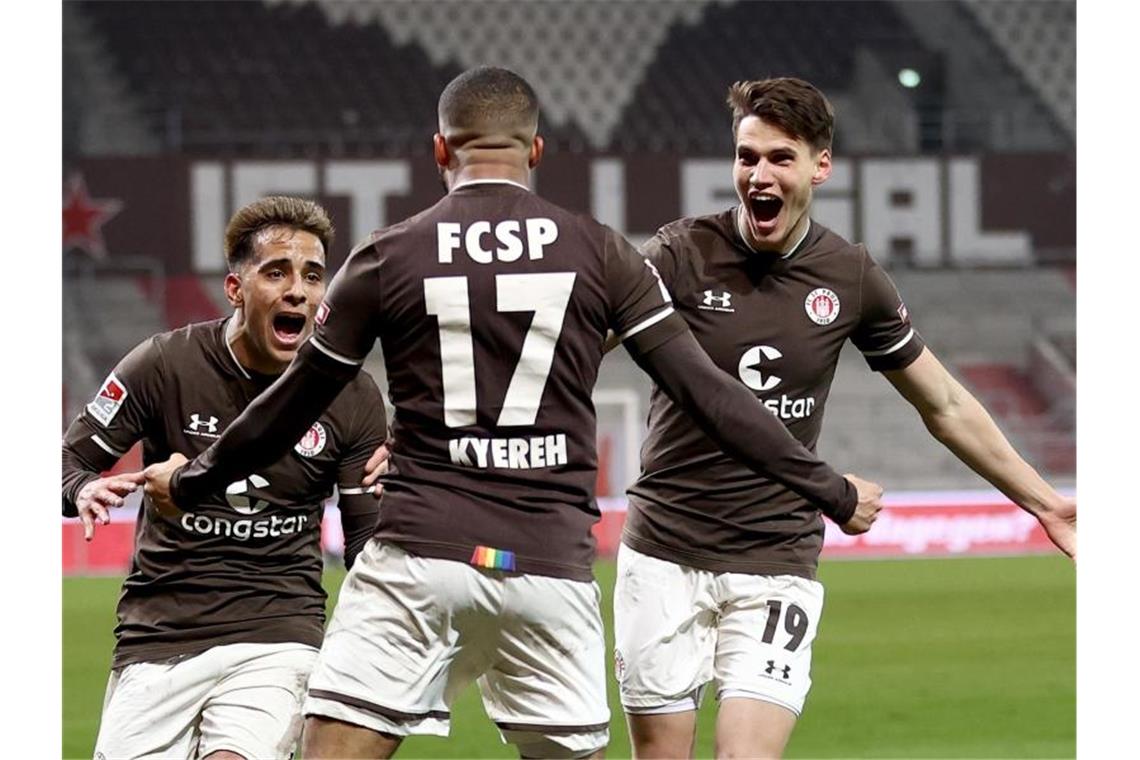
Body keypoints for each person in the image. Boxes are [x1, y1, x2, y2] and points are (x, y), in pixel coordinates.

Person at [142, 67, 883, 760]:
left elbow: (287, 405)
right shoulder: (600, 253)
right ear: (535, 150)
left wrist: (195, 482)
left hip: (420, 556)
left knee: (331, 744)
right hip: (547, 570)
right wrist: (833, 491)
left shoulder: (387, 254)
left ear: (440, 148)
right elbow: (711, 394)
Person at [612, 77, 1078, 759]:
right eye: (747, 157)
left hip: (775, 558)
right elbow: (572, 351)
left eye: (780, 158)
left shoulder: (849, 277)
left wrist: (1045, 503)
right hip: (663, 553)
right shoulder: (679, 255)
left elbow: (943, 403)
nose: (759, 175)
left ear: (819, 167)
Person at [62, 196, 389, 760]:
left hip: (278, 635)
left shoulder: (352, 397)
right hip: (158, 638)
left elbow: (365, 551)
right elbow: (68, 461)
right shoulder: (163, 365)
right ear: (236, 290)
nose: (298, 291)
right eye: (277, 272)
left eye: (313, 276)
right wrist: (81, 488)